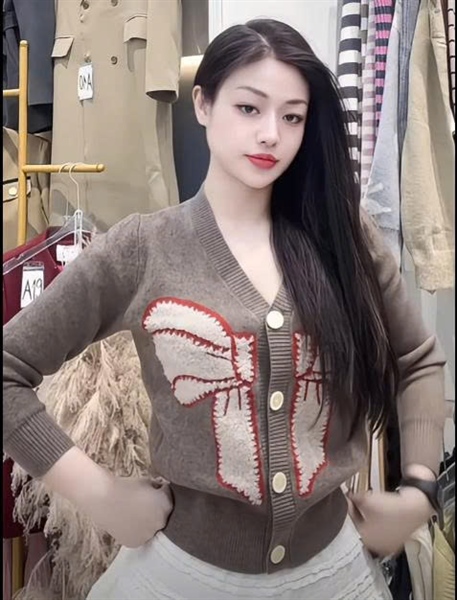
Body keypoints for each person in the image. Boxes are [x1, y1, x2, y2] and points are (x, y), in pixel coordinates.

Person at [3, 19, 446, 600]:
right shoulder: (143, 248)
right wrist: (101, 497)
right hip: (183, 577)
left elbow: (417, 359)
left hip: (336, 574)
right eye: (249, 108)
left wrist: (419, 490)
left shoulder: (343, 237)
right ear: (203, 104)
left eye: (293, 117)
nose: (271, 135)